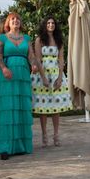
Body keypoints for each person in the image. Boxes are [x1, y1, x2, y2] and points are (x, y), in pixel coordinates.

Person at [0, 12, 40, 160]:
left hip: (22, 73)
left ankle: (21, 146)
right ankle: (5, 148)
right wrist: (4, 68)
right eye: (12, 19)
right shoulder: (2, 38)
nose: (16, 21)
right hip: (8, 74)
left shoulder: (26, 38)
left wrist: (33, 64)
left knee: (21, 107)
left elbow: (31, 55)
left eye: (18, 19)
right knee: (7, 108)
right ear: (8, 23)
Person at [31, 17, 72, 147]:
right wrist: (43, 77)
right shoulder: (39, 40)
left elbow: (61, 59)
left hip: (55, 73)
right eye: (48, 23)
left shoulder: (59, 40)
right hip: (42, 73)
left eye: (53, 23)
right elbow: (38, 59)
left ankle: (56, 135)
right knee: (43, 108)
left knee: (56, 107)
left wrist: (60, 77)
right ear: (44, 25)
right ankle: (44, 135)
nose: (51, 25)